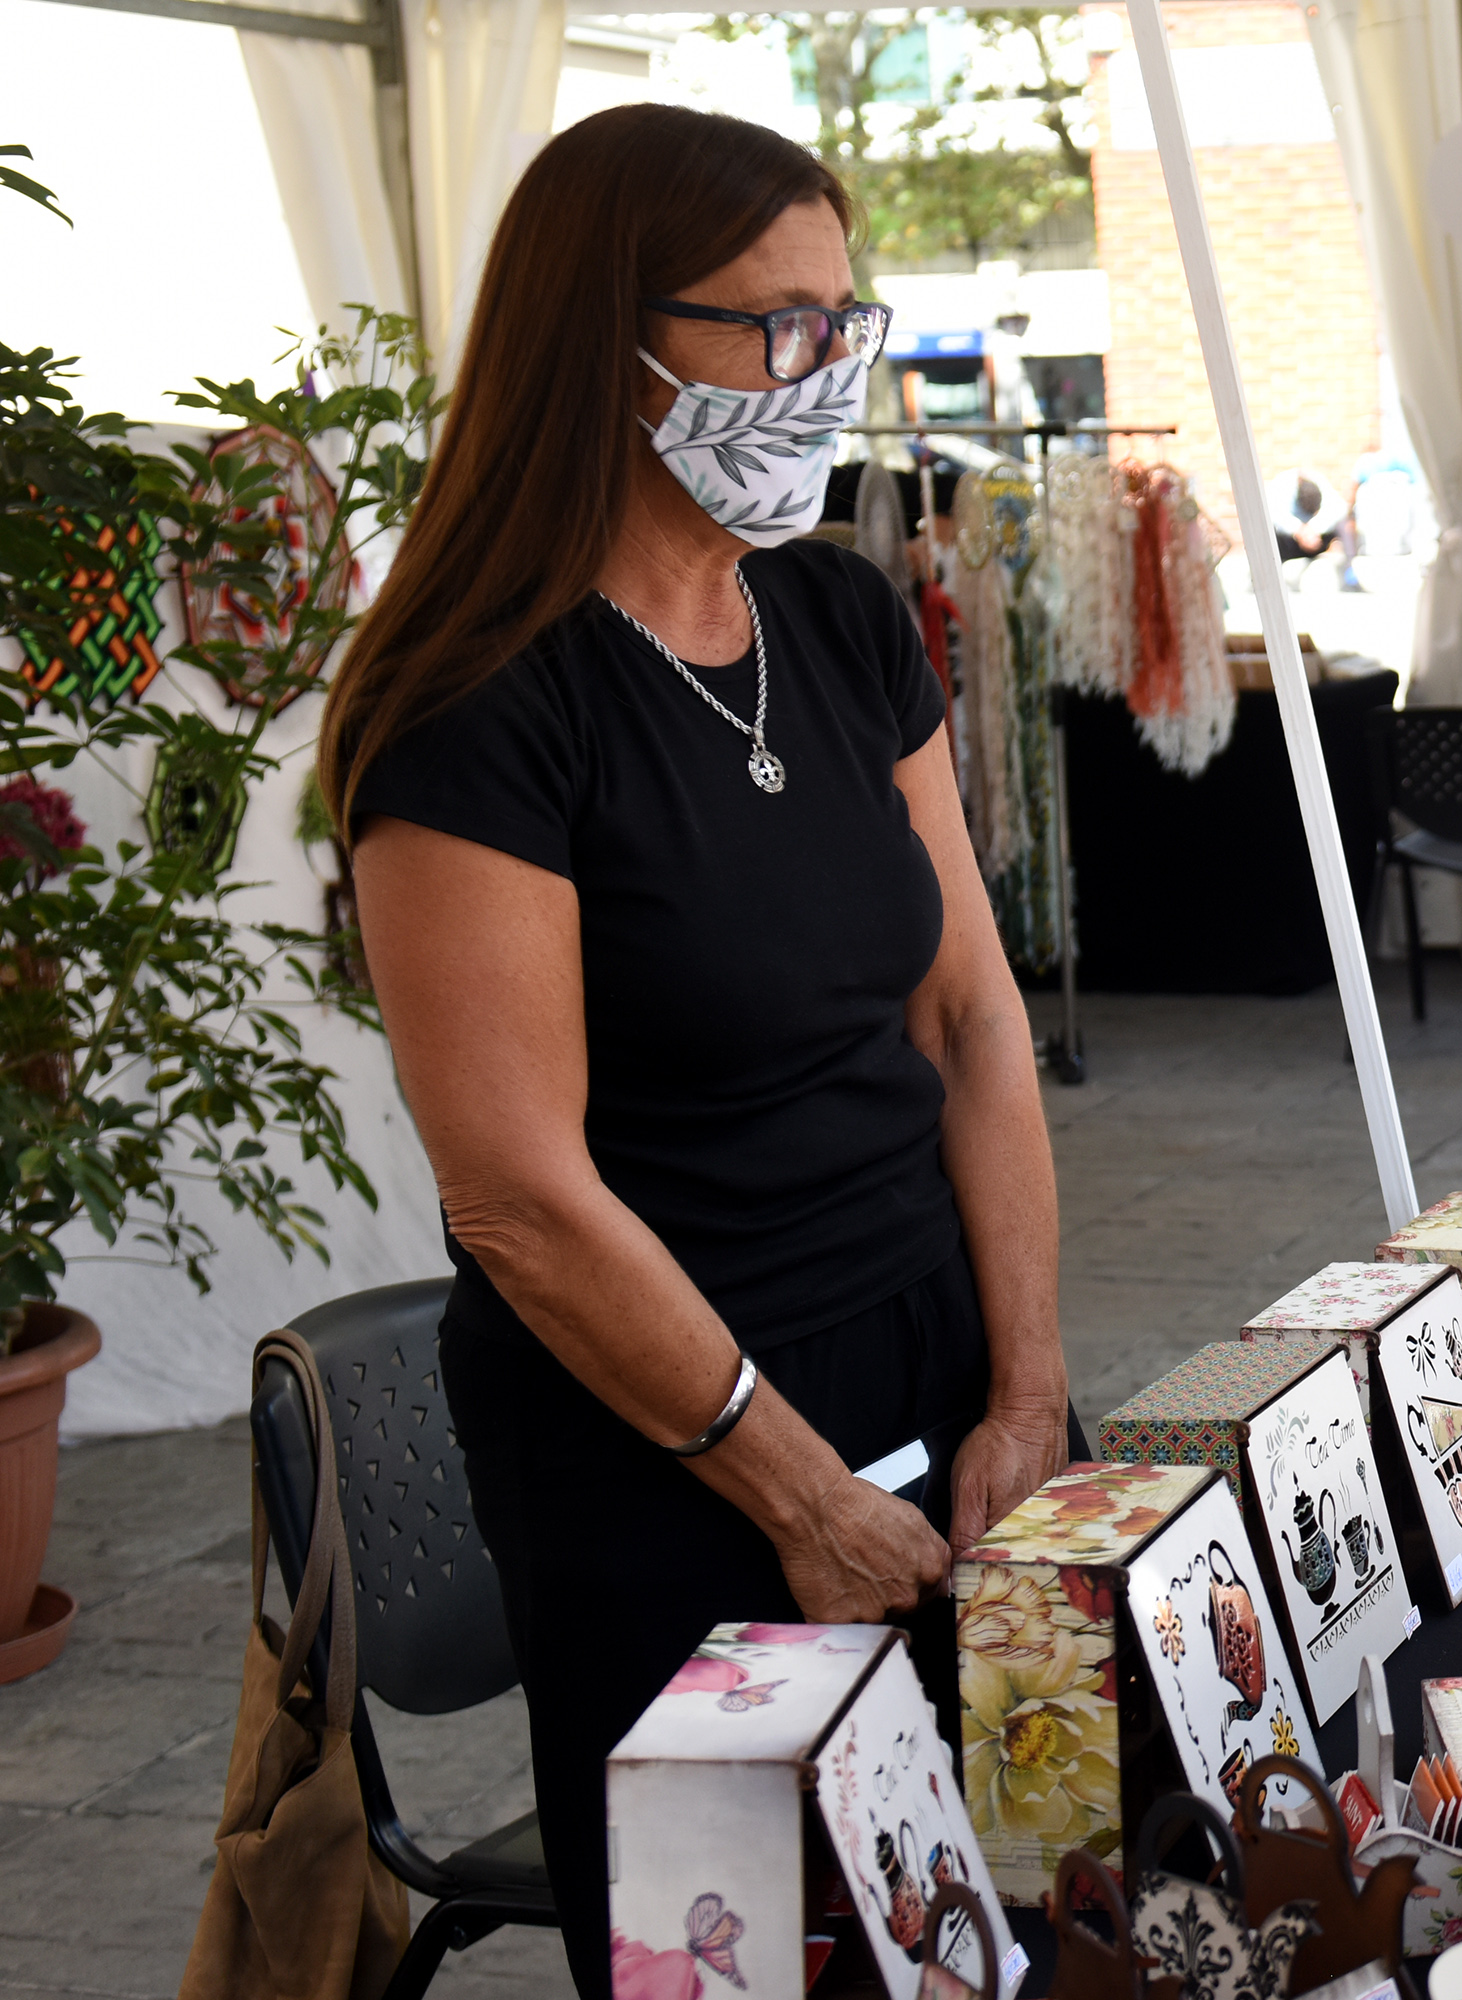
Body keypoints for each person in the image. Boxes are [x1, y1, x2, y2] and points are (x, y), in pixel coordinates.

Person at [315, 106, 1070, 1998]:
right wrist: (799, 1493)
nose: (827, 376)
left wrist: (1028, 1387)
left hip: (928, 1349)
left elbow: (973, 1014)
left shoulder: (828, 613)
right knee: (747, 1950)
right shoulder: (474, 706)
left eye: (847, 323)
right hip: (672, 1441)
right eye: (779, 327)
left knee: (985, 1913)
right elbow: (521, 1195)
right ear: (606, 336)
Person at [1269, 467, 1362, 589]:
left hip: (1316, 537)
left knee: (1344, 524)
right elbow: (1274, 514)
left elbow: (1339, 508)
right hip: (1290, 541)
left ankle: (1350, 574)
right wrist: (1299, 530)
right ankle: (1268, 577)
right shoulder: (1284, 485)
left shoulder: (1319, 482)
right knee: (1268, 530)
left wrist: (1315, 527)